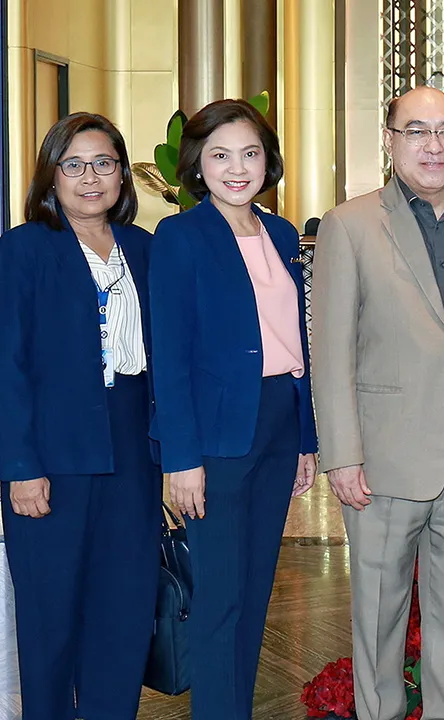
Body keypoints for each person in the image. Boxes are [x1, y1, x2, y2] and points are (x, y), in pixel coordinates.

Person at [311, 85, 444, 720]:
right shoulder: (349, 224)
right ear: (390, 140)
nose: (433, 145)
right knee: (379, 615)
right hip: (382, 458)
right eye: (416, 131)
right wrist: (342, 453)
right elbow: (332, 348)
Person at [148, 99, 318, 720]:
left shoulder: (281, 233)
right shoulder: (180, 237)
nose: (237, 169)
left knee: (253, 594)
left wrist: (306, 438)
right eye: (220, 156)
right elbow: (169, 355)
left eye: (250, 153)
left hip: (277, 422)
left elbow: (297, 343)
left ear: (268, 160)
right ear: (198, 165)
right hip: (215, 436)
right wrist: (181, 458)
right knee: (219, 598)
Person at [0, 113, 159, 720]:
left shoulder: (144, 249)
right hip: (51, 458)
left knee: (123, 613)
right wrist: (20, 466)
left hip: (133, 454)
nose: (90, 178)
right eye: (74, 165)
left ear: (122, 174)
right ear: (51, 175)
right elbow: (8, 365)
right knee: (50, 620)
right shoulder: (23, 249)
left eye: (104, 164)